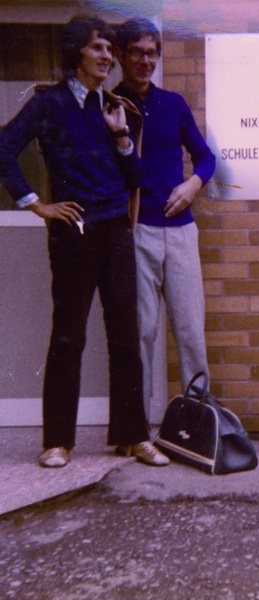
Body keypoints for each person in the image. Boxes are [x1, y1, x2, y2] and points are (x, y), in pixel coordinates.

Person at [0, 15, 169, 468]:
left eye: (111, 50)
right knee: (69, 338)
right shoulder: (49, 103)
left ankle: (133, 436)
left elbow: (136, 179)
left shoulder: (117, 107)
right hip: (72, 234)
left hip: (115, 231)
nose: (107, 57)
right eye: (99, 48)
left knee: (126, 338)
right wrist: (37, 203)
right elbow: (4, 147)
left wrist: (120, 137)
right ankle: (57, 441)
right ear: (77, 50)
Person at [113, 19, 216, 416]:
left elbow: (206, 157)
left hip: (181, 231)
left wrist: (192, 186)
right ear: (121, 56)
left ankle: (198, 418)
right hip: (136, 231)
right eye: (136, 52)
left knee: (190, 331)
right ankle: (135, 429)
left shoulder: (173, 104)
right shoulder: (109, 105)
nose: (145, 60)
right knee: (141, 332)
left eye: (151, 52)